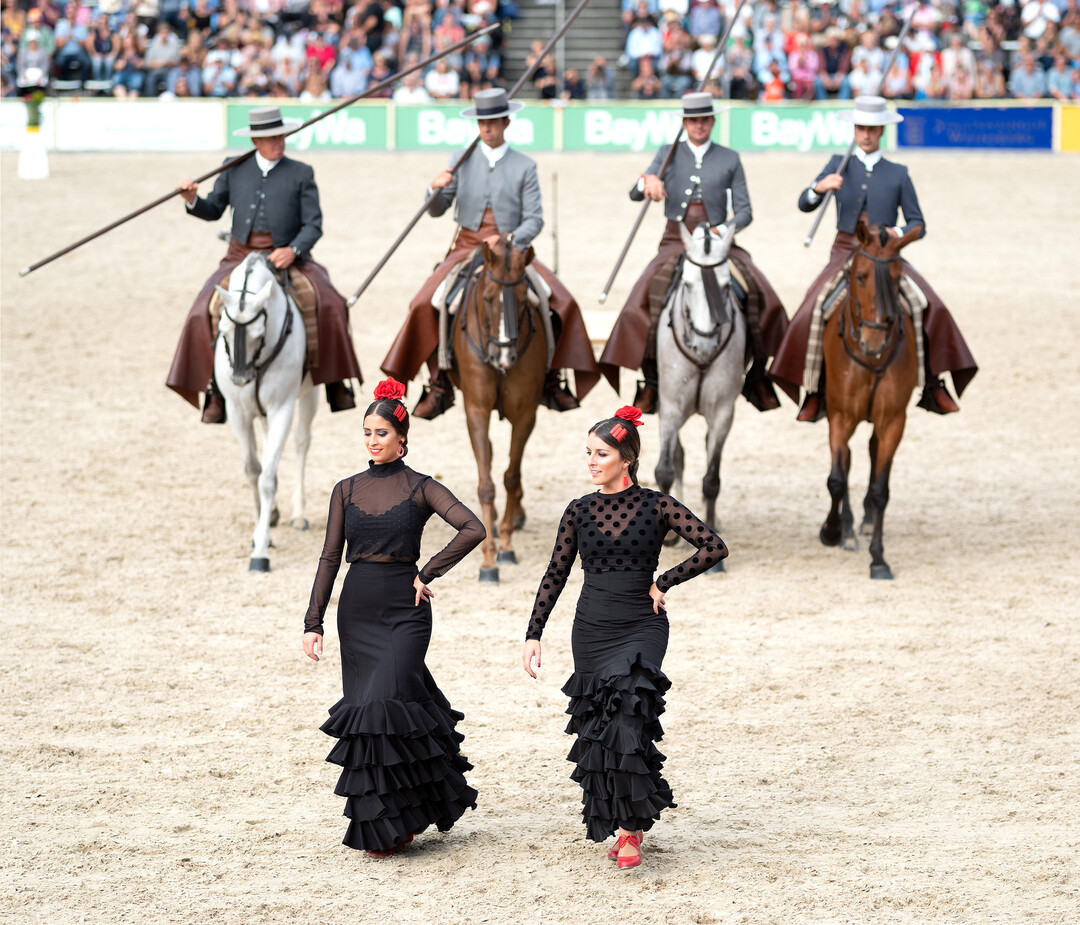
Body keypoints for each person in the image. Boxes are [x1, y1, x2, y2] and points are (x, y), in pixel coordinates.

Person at [521, 405, 728, 869]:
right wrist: (534, 634)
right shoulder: (578, 511)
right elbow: (555, 573)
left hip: (642, 623)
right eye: (588, 453)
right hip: (590, 627)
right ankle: (620, 823)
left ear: (626, 458)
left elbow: (714, 546)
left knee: (629, 721)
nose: (591, 461)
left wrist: (666, 580)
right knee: (599, 729)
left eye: (601, 453)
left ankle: (632, 831)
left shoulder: (657, 505)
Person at [303, 377, 485, 857]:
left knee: (390, 701)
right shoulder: (346, 490)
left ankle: (399, 817)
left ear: (402, 439)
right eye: (366, 432)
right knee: (369, 714)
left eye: (381, 433)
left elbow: (473, 528)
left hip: (407, 611)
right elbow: (328, 557)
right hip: (357, 610)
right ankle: (390, 823)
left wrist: (428, 571)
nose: (372, 441)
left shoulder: (422, 488)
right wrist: (313, 621)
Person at [382, 88, 602, 419]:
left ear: (506, 122)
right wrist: (434, 188)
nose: (487, 128)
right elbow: (438, 210)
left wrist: (511, 238)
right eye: (483, 122)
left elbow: (535, 219)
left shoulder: (525, 165)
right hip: (468, 246)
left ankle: (552, 378)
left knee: (560, 301)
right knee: (425, 302)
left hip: (513, 251)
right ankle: (438, 381)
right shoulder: (459, 158)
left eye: (493, 122)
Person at [769, 96, 977, 421]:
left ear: (881, 130)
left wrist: (896, 233)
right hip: (844, 250)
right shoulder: (838, 163)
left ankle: (933, 383)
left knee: (926, 303)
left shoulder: (898, 173)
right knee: (813, 306)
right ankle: (813, 389)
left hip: (884, 254)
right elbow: (804, 203)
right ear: (854, 130)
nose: (865, 134)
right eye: (861, 128)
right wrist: (820, 187)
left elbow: (917, 224)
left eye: (871, 129)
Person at [599, 92, 789, 416]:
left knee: (759, 290)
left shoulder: (730, 158)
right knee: (645, 294)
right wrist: (649, 180)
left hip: (719, 242)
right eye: (693, 120)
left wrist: (722, 230)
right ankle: (651, 381)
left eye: (704, 120)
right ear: (685, 123)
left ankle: (757, 375)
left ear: (712, 122)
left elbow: (745, 212)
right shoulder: (667, 152)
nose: (699, 125)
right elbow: (635, 193)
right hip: (675, 240)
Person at [170, 106, 361, 423]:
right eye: (272, 137)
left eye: (281, 135)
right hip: (239, 254)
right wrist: (192, 198)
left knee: (330, 303)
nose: (280, 142)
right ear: (256, 141)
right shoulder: (233, 168)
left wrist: (294, 250)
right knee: (202, 308)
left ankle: (334, 382)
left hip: (287, 256)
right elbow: (214, 208)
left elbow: (313, 225)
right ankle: (214, 388)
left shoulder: (302, 172)